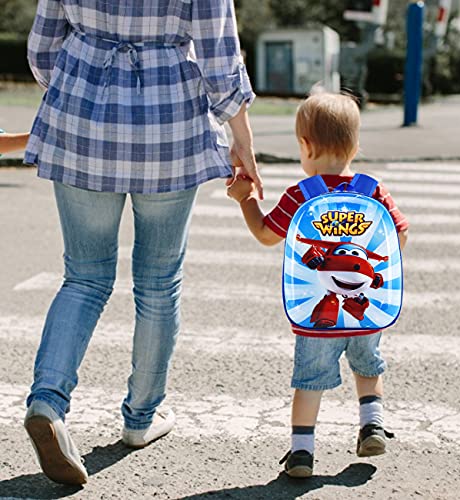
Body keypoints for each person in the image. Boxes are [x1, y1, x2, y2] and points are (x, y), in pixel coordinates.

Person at [23, 0, 262, 486]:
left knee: (84, 278)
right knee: (158, 282)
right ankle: (141, 419)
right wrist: (242, 139)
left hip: (81, 122)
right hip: (168, 126)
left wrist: (80, 90)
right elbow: (219, 55)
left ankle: (47, 401)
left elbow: (43, 46)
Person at [227, 93, 409, 478]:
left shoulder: (301, 194)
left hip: (316, 316)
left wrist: (246, 199)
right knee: (368, 368)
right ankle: (371, 425)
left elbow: (264, 234)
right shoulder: (372, 189)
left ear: (305, 146)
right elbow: (400, 237)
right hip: (367, 311)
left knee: (309, 382)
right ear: (355, 147)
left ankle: (301, 453)